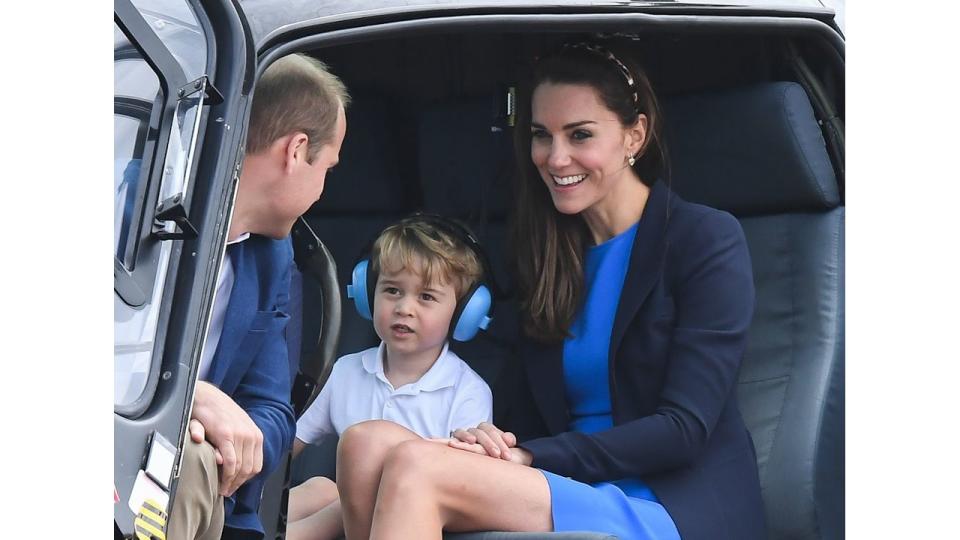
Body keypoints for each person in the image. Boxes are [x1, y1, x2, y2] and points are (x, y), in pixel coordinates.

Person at [331, 42, 767, 540]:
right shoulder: (549, 252)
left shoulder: (704, 239)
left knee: (415, 467)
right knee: (366, 444)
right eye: (541, 136)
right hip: (561, 482)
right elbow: (525, 403)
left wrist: (531, 454)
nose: (556, 158)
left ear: (635, 135)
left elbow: (684, 429)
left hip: (669, 502)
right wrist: (493, 441)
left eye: (579, 134)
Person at [166, 53, 350, 540]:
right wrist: (186, 398)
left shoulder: (272, 258)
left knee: (191, 461)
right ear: (296, 151)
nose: (322, 190)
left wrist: (229, 436)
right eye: (328, 168)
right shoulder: (133, 208)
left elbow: (272, 410)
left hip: (208, 479)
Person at [286, 214, 494, 540]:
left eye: (426, 297)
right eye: (393, 290)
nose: (404, 308)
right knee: (318, 488)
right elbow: (287, 447)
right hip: (355, 518)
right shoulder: (345, 372)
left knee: (337, 501)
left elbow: (464, 490)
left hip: (418, 522)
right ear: (368, 295)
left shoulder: (467, 391)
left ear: (465, 313)